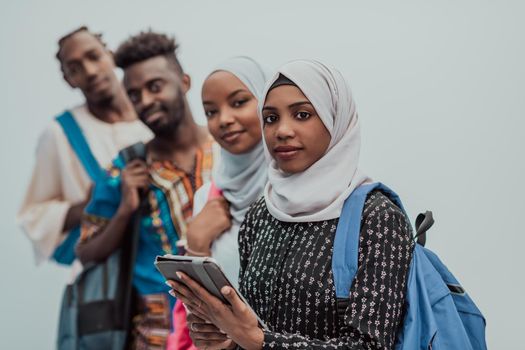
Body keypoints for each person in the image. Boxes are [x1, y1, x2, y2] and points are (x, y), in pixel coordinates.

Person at [169, 60, 415, 350]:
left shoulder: (376, 217)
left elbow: (370, 346)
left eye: (302, 114)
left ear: (335, 119)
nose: (282, 130)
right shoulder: (262, 213)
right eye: (271, 119)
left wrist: (259, 341)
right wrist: (229, 341)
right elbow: (255, 328)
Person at [17, 26, 152, 273]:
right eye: (75, 68)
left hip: (161, 262)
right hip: (104, 275)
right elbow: (34, 216)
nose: (89, 71)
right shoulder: (61, 134)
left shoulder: (152, 115)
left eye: (94, 57)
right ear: (68, 80)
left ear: (110, 55)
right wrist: (93, 203)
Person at [169, 56, 269, 350]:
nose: (223, 119)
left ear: (266, 103)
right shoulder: (208, 197)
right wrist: (196, 246)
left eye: (238, 102)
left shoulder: (295, 190)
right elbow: (200, 321)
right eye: (211, 111)